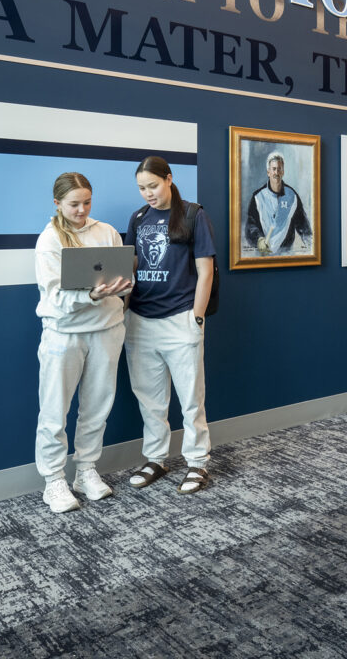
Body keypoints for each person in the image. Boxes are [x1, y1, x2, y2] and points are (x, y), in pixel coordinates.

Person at [34, 172, 132, 514]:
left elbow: (123, 279)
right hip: (64, 334)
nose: (81, 210)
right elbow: (54, 296)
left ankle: (86, 470)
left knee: (97, 407)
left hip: (108, 328)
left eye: (87, 202)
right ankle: (53, 480)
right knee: (54, 411)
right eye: (74, 204)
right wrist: (89, 294)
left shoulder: (105, 232)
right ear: (58, 203)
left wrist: (121, 287)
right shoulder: (49, 241)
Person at [123, 156, 216, 494]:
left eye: (153, 185)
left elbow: (205, 271)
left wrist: (197, 317)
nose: (148, 193)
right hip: (141, 321)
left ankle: (197, 463)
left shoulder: (193, 215)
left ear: (169, 179)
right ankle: (156, 457)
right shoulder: (138, 218)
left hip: (180, 318)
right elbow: (131, 266)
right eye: (142, 188)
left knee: (191, 398)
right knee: (150, 399)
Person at [244, 151, 312, 256]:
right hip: (263, 255)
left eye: (279, 169)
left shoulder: (292, 196)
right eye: (274, 169)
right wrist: (259, 240)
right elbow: (250, 226)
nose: (276, 173)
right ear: (268, 172)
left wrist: (311, 247)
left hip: (286, 253)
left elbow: (303, 225)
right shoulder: (258, 197)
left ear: (283, 172)